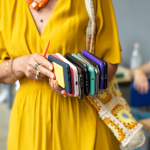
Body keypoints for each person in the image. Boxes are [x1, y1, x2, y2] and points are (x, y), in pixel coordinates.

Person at [0, 0, 122, 149]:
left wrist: (78, 82)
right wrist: (18, 64)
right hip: (29, 119)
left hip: (82, 117)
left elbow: (110, 61)